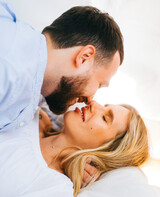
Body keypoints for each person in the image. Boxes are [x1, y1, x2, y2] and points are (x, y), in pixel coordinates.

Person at [0, 101, 149, 197]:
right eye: (103, 105)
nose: (93, 104)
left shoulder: (56, 189)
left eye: (105, 118)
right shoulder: (34, 114)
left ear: (107, 150)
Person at [0, 1, 123, 132]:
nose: (91, 100)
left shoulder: (32, 82)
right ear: (84, 57)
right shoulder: (8, 72)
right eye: (99, 84)